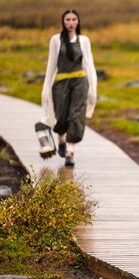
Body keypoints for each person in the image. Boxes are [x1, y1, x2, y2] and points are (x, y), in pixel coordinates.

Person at [41, 9, 97, 167]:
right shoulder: (56, 40)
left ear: (78, 22)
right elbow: (51, 66)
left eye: (74, 19)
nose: (71, 23)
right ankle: (61, 140)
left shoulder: (84, 40)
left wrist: (93, 88)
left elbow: (89, 65)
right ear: (63, 22)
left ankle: (70, 152)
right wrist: (45, 88)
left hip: (80, 82)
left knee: (76, 116)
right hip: (61, 83)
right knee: (61, 117)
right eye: (68, 20)